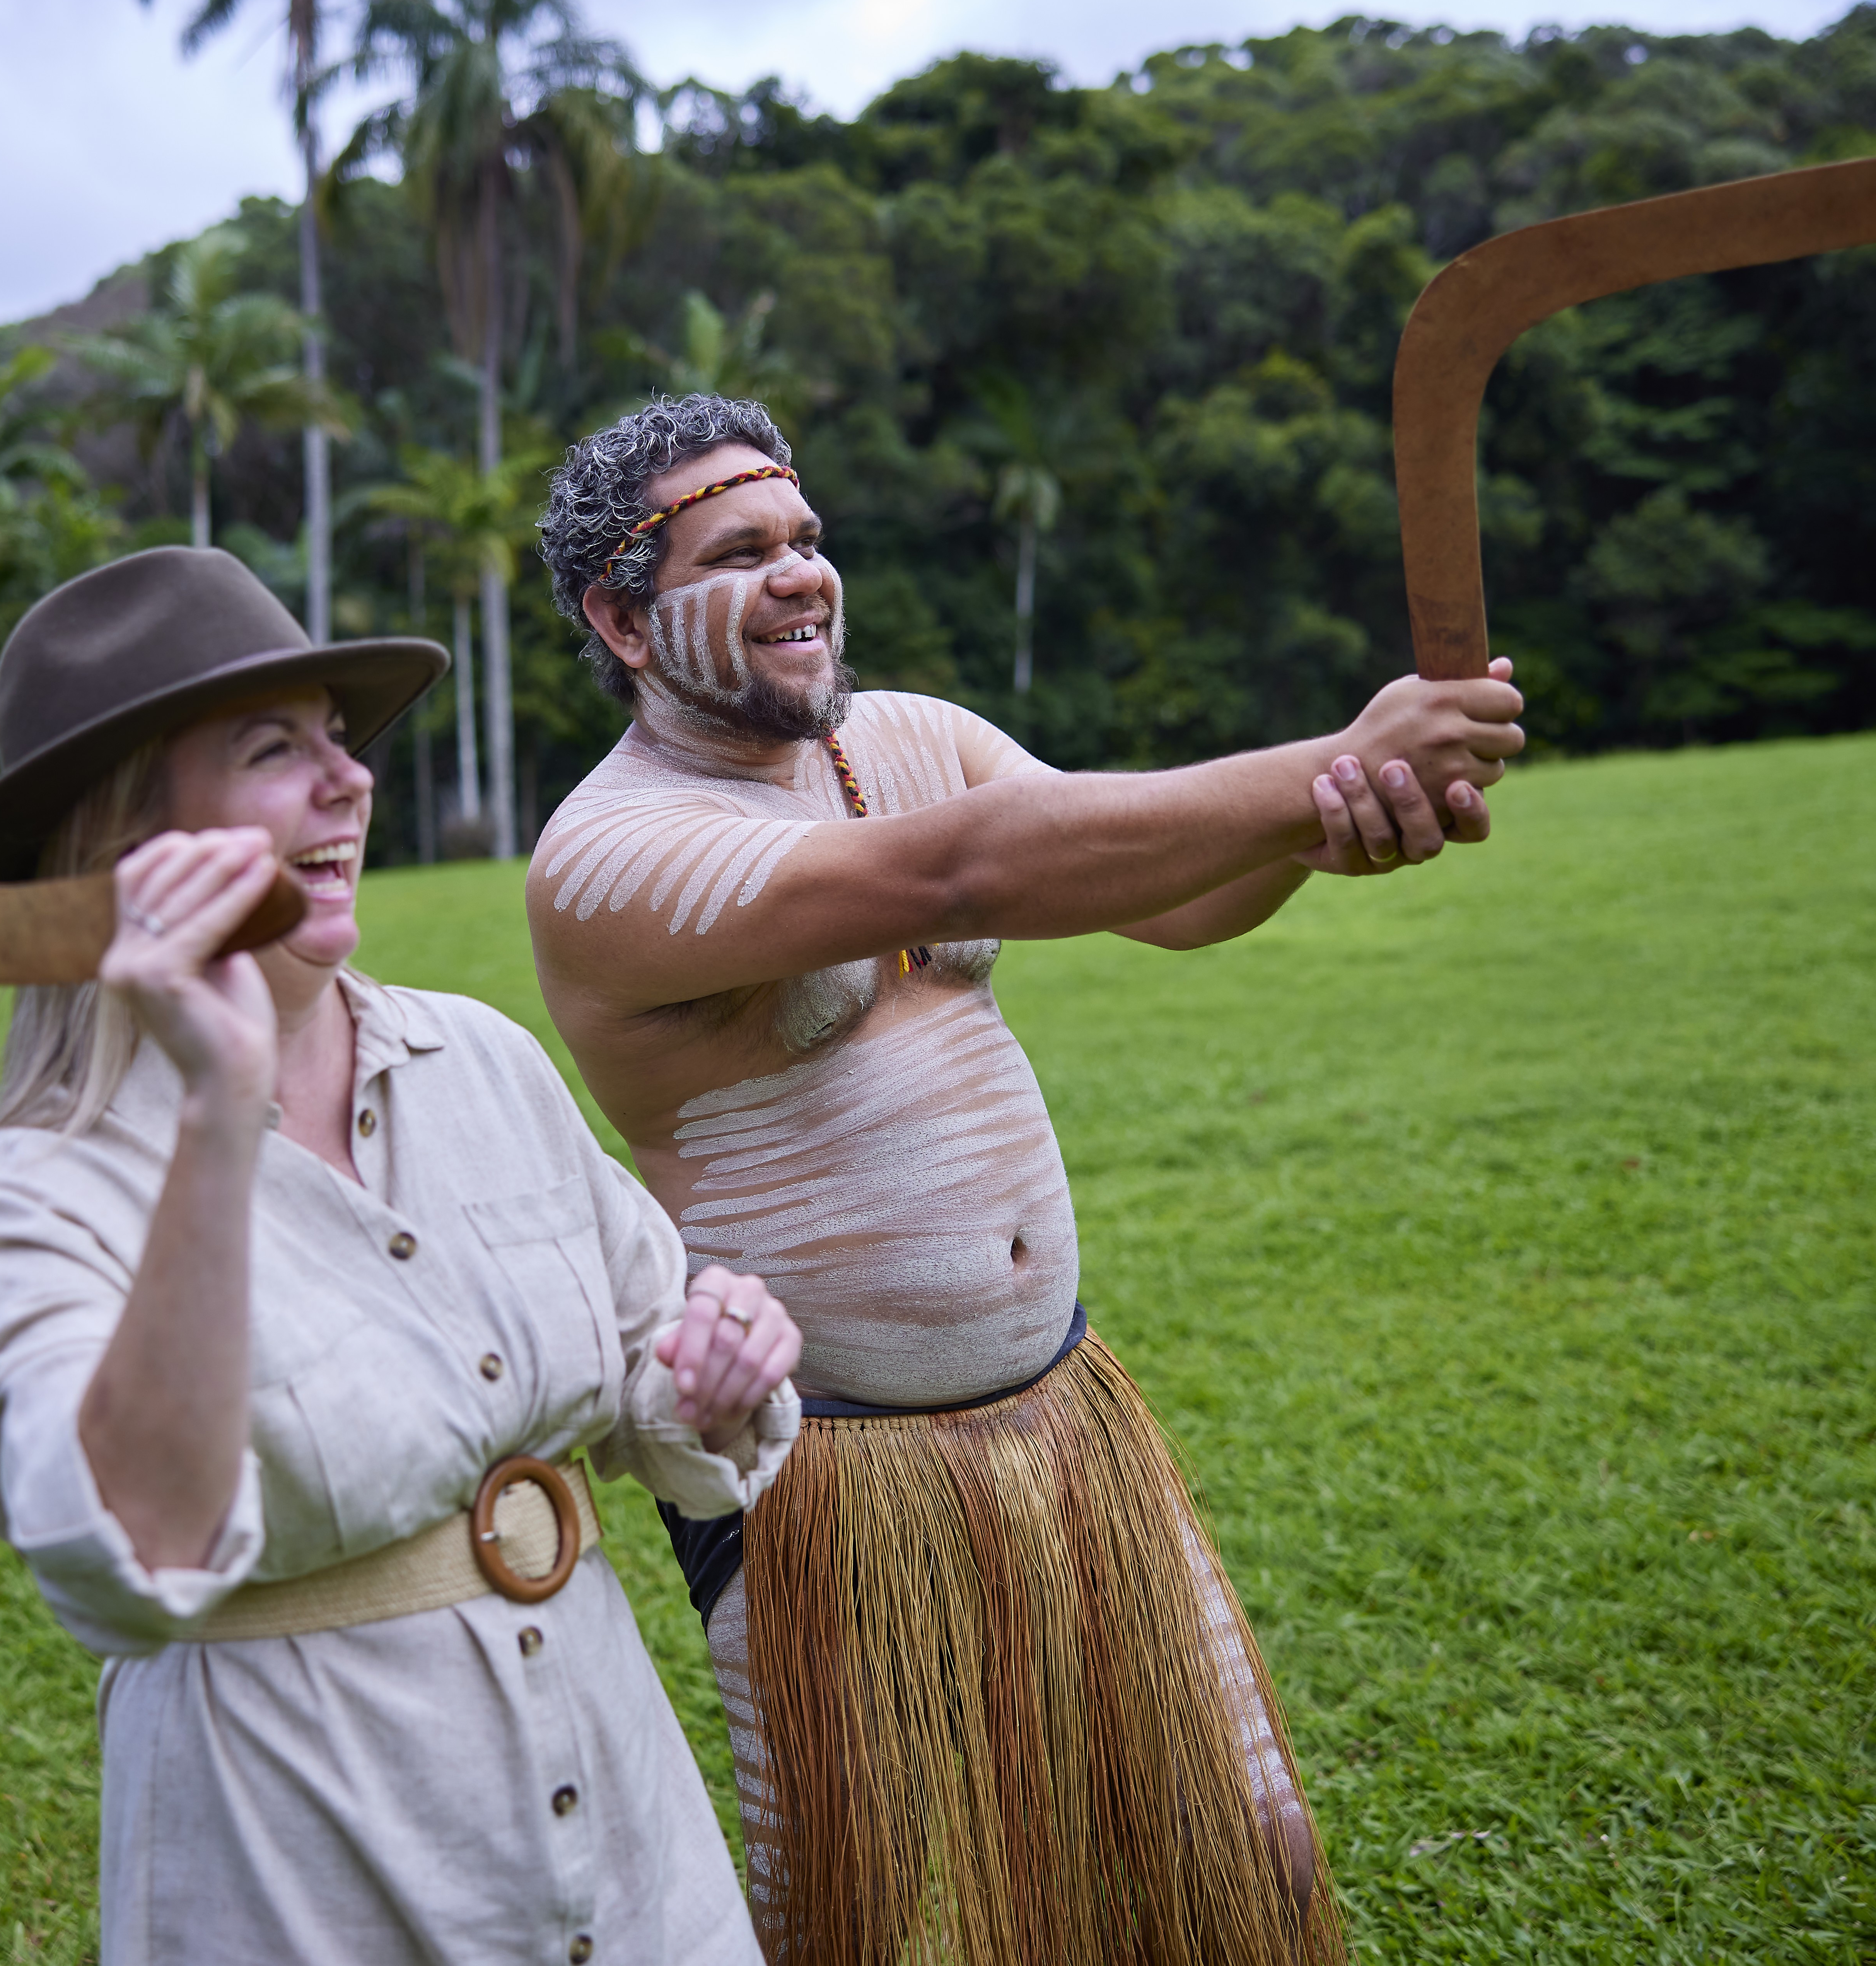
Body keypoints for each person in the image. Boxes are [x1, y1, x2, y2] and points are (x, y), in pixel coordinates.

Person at [526, 398, 1529, 1965]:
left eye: (807, 539)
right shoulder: (609, 858)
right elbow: (970, 868)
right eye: (740, 553)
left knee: (1248, 1851)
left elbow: (1175, 901)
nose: (800, 575)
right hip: (827, 1482)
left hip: (1067, 1414)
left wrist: (1320, 830)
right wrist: (1329, 760)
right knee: (875, 1920)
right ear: (623, 621)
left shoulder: (911, 741)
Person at [0, 548, 804, 1966]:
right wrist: (216, 1114)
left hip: (633, 1849)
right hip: (300, 1875)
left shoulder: (482, 1061)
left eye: (339, 739)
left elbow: (646, 1359)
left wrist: (706, 1379)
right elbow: (123, 1564)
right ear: (126, 840)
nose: (350, 782)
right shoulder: (48, 1192)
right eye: (274, 751)